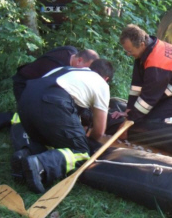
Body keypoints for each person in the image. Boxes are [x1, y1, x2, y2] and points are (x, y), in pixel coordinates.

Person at [18, 59, 114, 194]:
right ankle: (41, 163)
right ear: (106, 78)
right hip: (53, 102)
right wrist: (87, 139)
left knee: (50, 142)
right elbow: (99, 131)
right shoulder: (101, 84)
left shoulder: (67, 70)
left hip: (25, 101)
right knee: (81, 151)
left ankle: (23, 156)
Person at [0, 46, 99, 135]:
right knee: (39, 117)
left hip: (35, 83)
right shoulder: (58, 67)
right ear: (79, 61)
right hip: (25, 85)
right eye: (86, 69)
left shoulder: (71, 52)